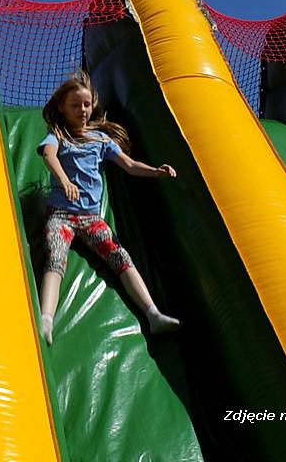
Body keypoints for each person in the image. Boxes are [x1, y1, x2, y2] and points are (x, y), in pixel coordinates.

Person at [37, 71, 181, 345]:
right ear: (61, 107)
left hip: (91, 218)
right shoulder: (58, 135)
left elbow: (128, 165)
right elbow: (48, 155)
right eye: (75, 105)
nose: (82, 110)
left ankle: (153, 314)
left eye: (87, 105)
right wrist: (64, 180)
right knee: (55, 258)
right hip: (60, 215)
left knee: (120, 257)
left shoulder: (101, 140)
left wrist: (156, 171)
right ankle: (46, 319)